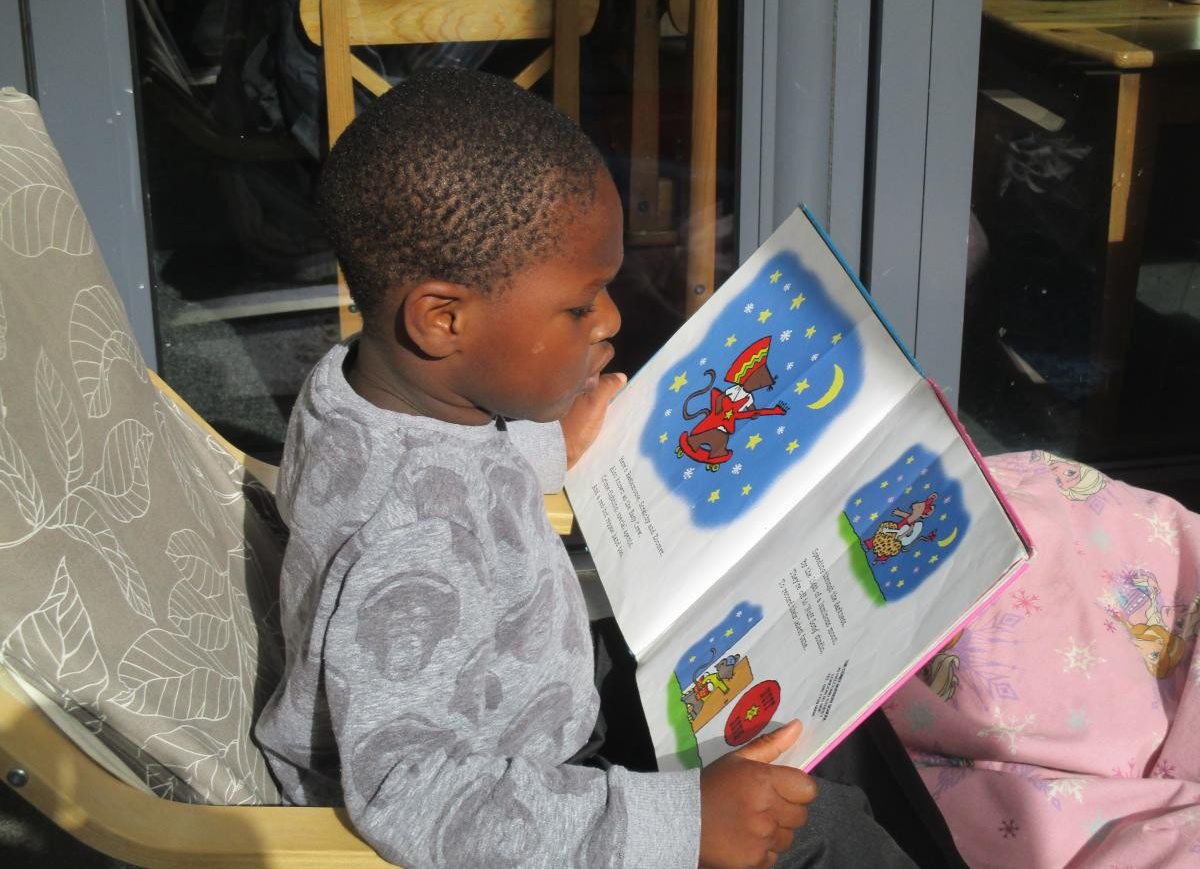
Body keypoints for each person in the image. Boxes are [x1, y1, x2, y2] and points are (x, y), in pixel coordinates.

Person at [254, 67, 915, 868]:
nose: (611, 317)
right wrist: (684, 827)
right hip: (510, 800)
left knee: (781, 707)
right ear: (442, 319)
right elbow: (412, 793)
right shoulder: (414, 547)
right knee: (830, 831)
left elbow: (450, 471)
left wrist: (548, 443)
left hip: (525, 699)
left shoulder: (360, 393)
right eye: (580, 303)